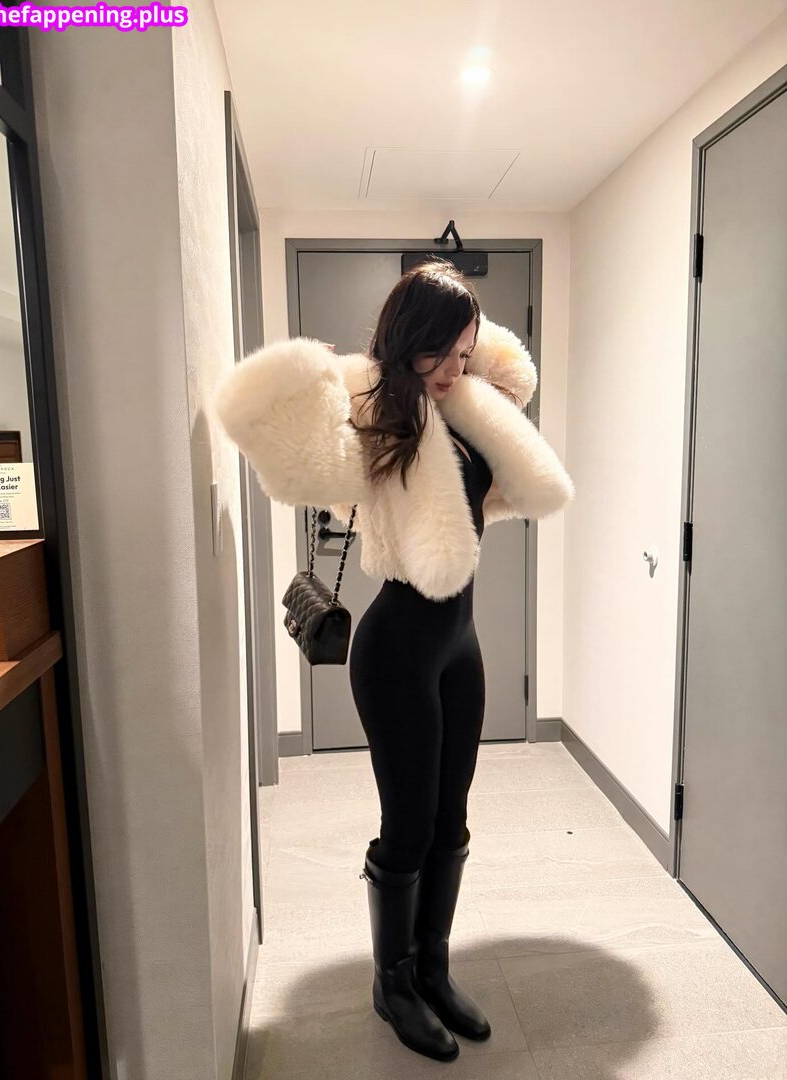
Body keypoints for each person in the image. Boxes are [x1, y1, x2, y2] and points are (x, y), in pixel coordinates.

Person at [213, 259, 574, 1064]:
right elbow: (293, 459)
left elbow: (512, 387)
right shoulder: (377, 418)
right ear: (406, 341)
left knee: (452, 819)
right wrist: (320, 377)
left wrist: (468, 351)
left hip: (460, 646)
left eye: (465, 352)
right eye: (438, 351)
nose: (453, 369)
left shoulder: (470, 408)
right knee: (408, 825)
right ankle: (393, 983)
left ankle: (433, 968)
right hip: (397, 649)